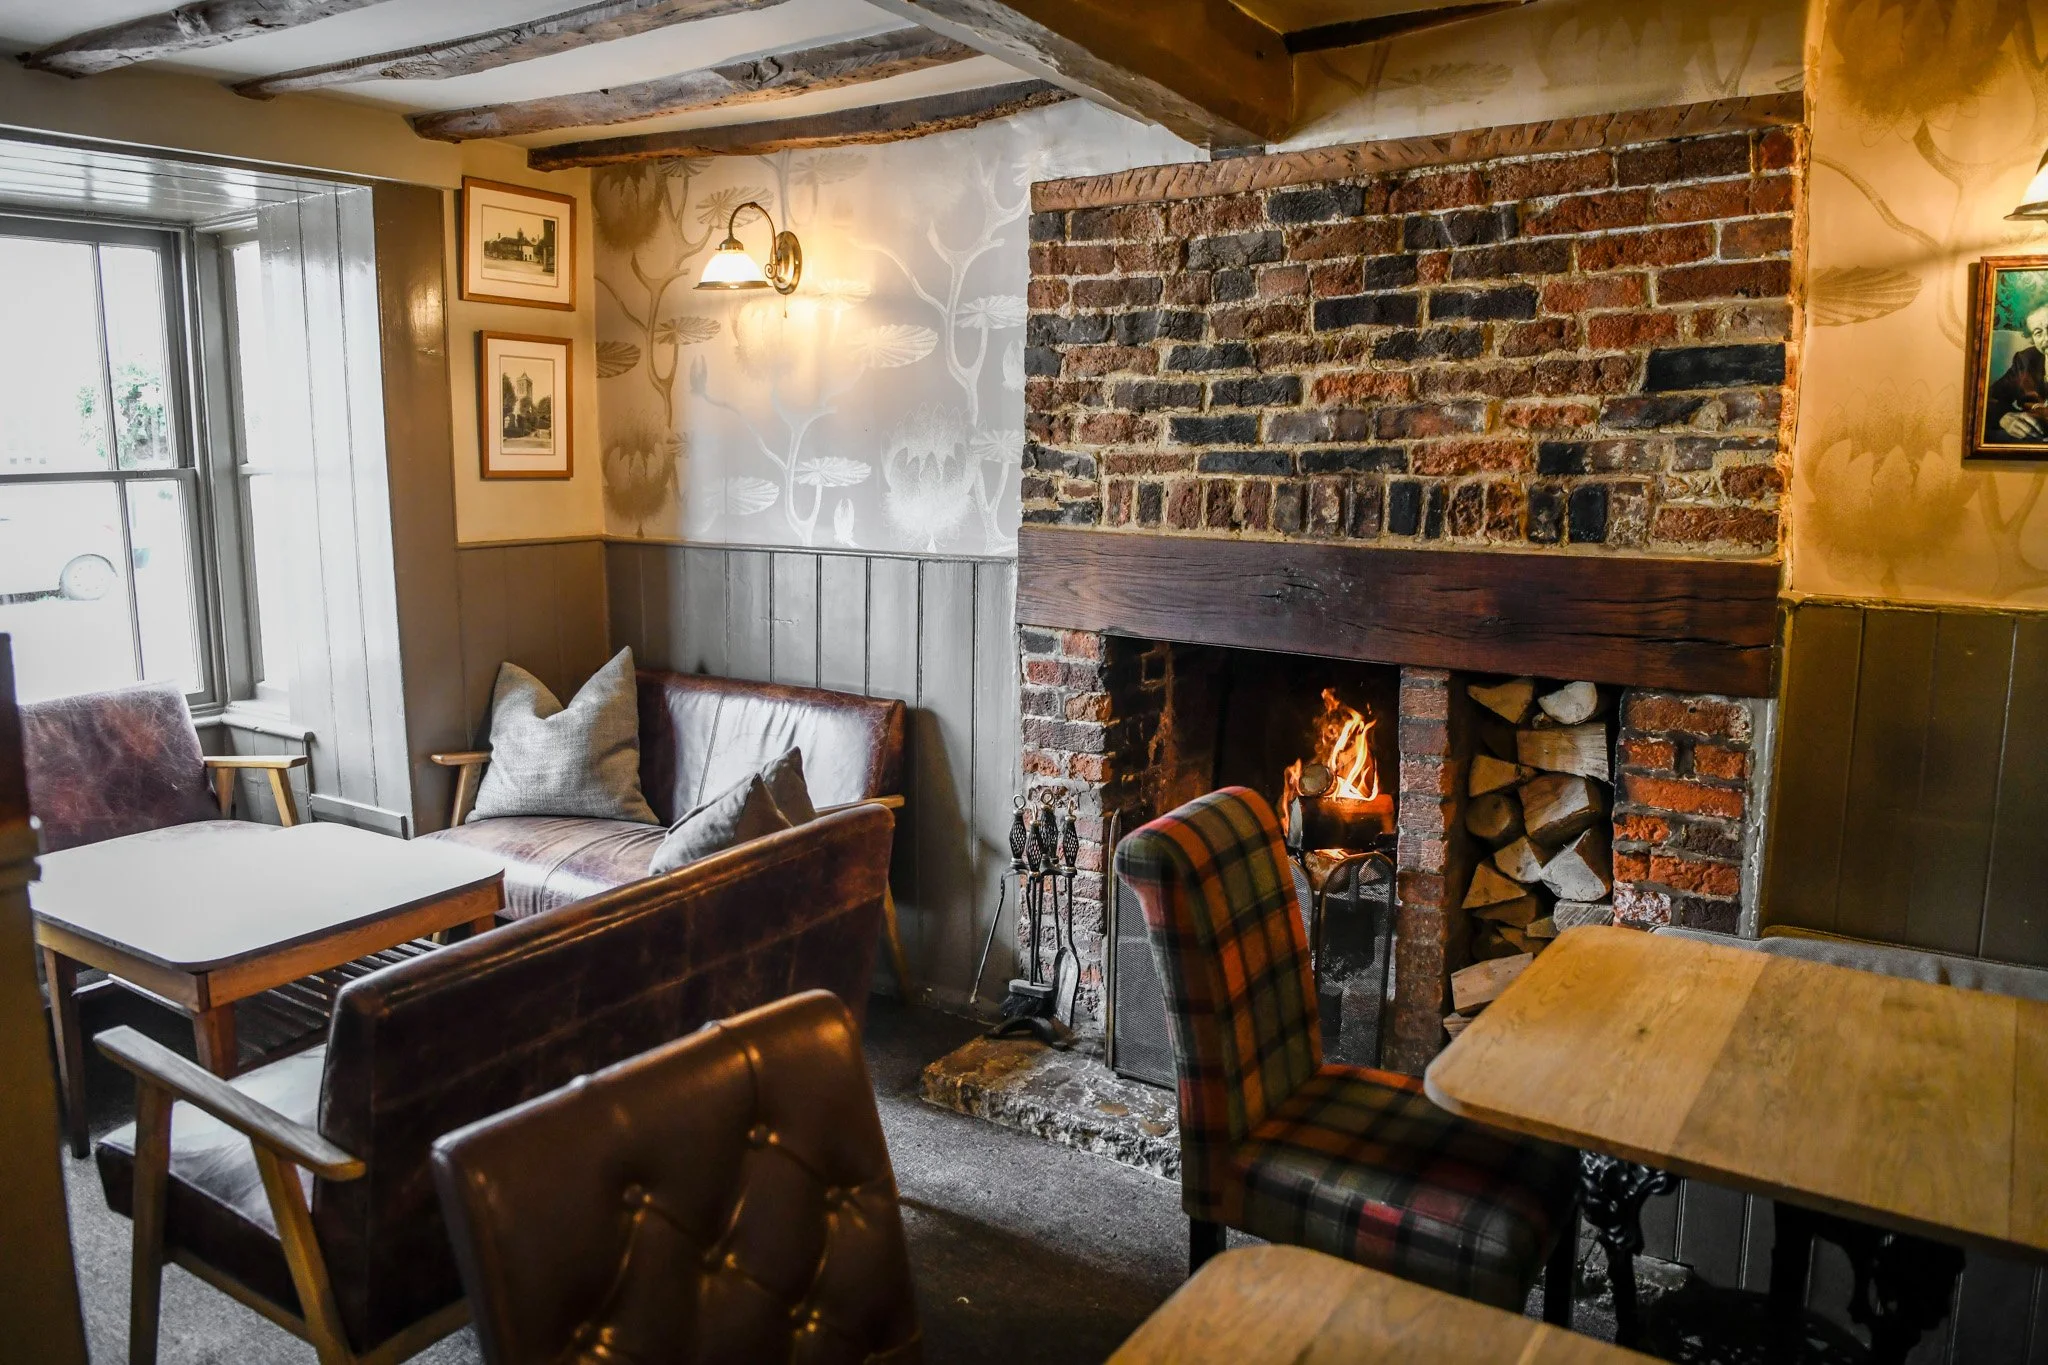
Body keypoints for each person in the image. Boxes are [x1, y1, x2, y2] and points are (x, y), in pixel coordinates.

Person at [1988, 299, 2048, 441]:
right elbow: (1989, 398)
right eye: (2038, 332)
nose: (2046, 338)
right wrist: (2004, 417)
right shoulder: (2025, 360)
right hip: (2029, 440)